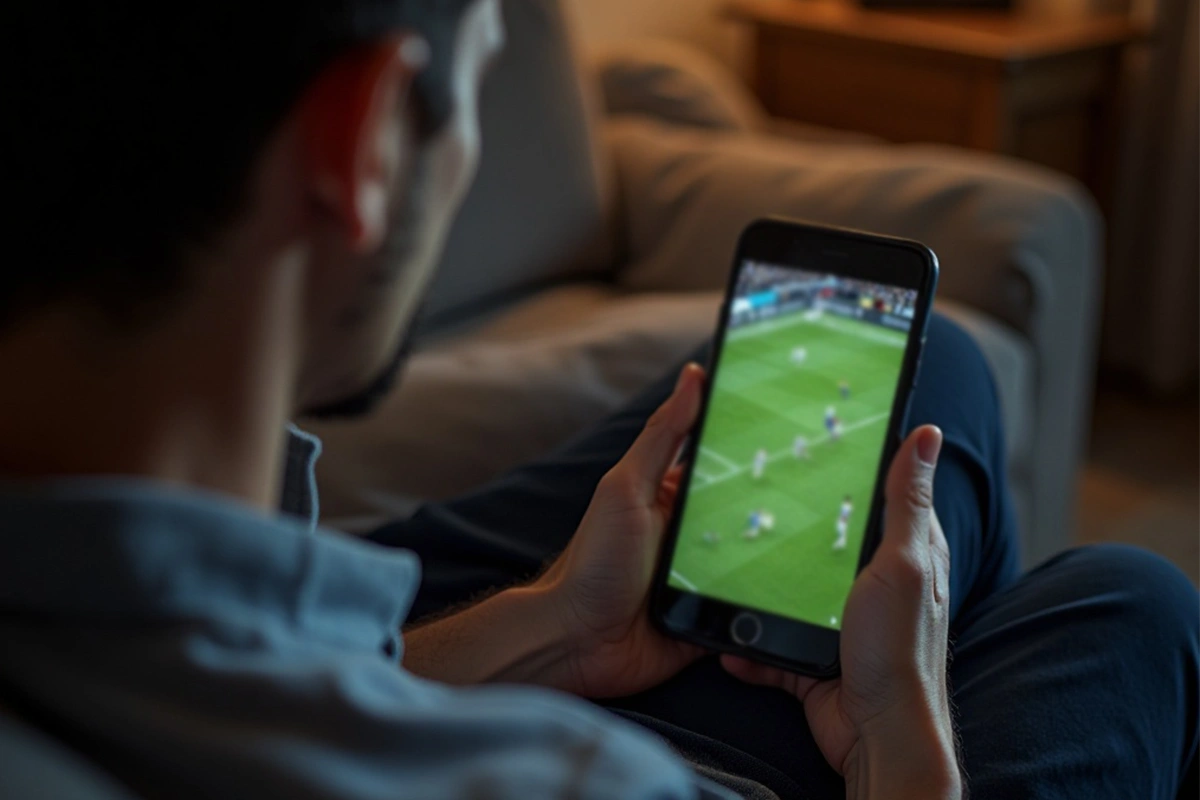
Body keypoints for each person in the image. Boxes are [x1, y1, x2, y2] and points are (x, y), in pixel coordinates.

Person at [2, 2, 1199, 800]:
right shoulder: (579, 781)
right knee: (1134, 602)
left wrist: (557, 627)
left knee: (941, 370)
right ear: (359, 145)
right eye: (480, 78)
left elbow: (267, 672)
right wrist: (902, 736)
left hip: (324, 604)